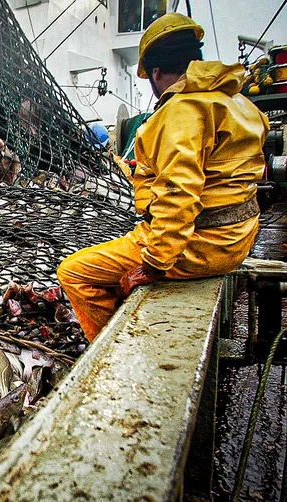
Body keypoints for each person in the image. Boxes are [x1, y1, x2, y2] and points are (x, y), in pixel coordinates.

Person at [57, 13, 269, 342]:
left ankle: (114, 347)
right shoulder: (239, 104)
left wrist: (153, 265)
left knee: (73, 272)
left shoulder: (181, 111)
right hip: (238, 239)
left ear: (155, 73)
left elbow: (179, 194)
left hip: (199, 247)